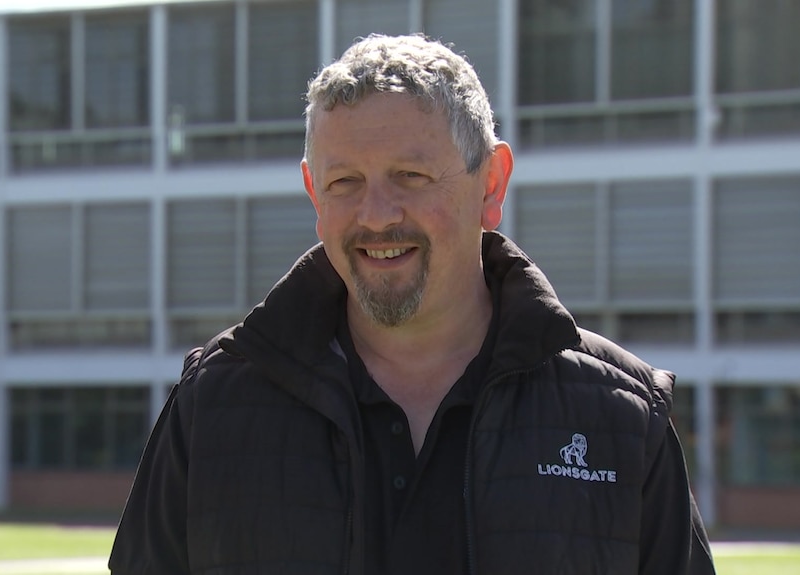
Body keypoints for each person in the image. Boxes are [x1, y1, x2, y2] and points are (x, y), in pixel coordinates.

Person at [109, 34, 715, 575]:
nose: (376, 215)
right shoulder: (213, 402)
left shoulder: (620, 416)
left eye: (410, 176)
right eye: (344, 181)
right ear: (313, 192)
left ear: (491, 184)